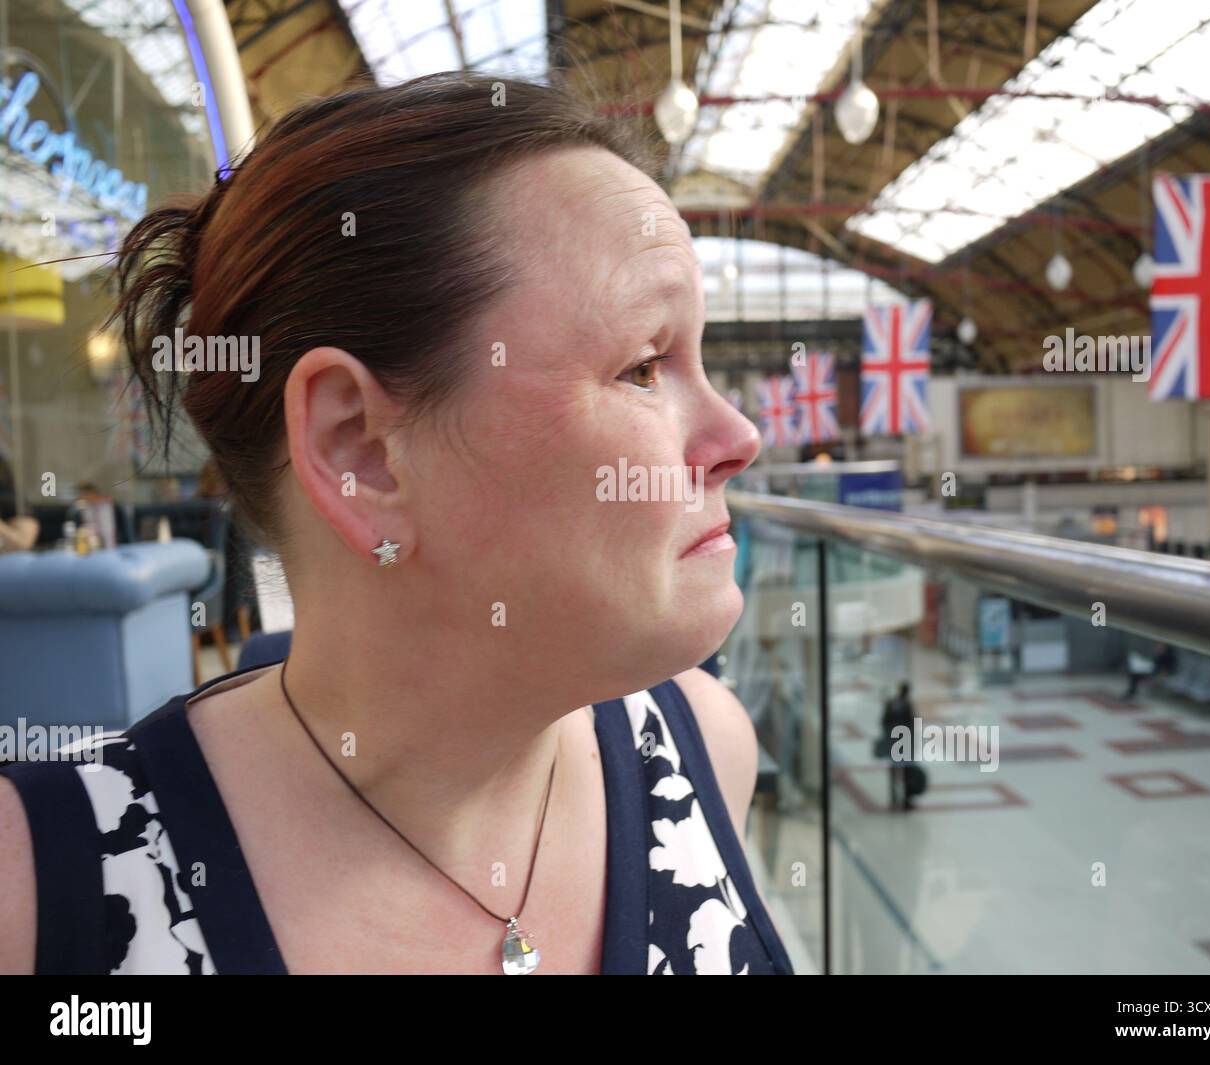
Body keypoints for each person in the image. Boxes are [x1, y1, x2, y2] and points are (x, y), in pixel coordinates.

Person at [0, 72, 792, 976]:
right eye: (646, 366)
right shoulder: (44, 896)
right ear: (362, 451)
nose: (739, 437)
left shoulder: (703, 752)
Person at [880, 682, 916, 811]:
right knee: (906, 773)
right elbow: (912, 724)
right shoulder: (907, 705)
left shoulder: (891, 704)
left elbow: (884, 722)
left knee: (893, 772)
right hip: (904, 743)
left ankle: (894, 800)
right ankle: (905, 801)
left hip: (893, 742)